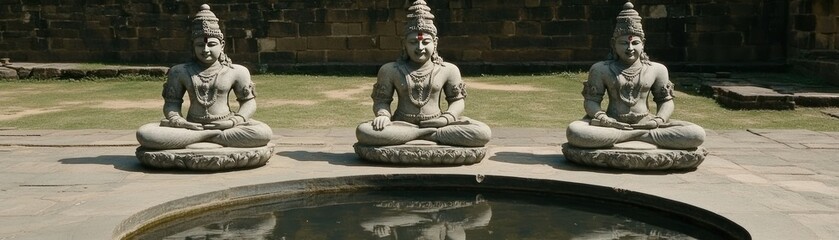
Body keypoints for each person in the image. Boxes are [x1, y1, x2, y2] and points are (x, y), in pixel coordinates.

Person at [566, 1, 705, 150]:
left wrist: (659, 120)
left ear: (643, 44)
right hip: (612, 125)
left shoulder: (657, 69)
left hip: (648, 124)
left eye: (635, 43)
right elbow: (591, 102)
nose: (630, 48)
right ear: (613, 44)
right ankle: (639, 137)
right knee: (575, 132)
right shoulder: (601, 69)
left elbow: (666, 101)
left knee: (696, 134)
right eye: (624, 43)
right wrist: (604, 119)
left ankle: (633, 136)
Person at [355, 0, 491, 147]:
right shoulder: (390, 70)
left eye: (426, 42)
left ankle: (416, 136)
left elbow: (457, 101)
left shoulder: (448, 70)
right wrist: (384, 116)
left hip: (439, 124)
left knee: (482, 133)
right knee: (364, 131)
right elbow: (381, 101)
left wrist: (446, 119)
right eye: (413, 42)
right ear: (404, 44)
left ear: (435, 43)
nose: (420, 47)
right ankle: (423, 134)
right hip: (401, 124)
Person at [136, 4, 272, 150]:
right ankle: (209, 136)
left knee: (262, 133)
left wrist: (233, 122)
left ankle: (202, 138)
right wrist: (180, 122)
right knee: (145, 134)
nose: (206, 50)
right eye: (200, 45)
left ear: (222, 45)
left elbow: (248, 103)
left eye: (212, 44)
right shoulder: (179, 71)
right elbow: (171, 104)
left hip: (226, 125)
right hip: (191, 126)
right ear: (193, 46)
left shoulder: (237, 71)